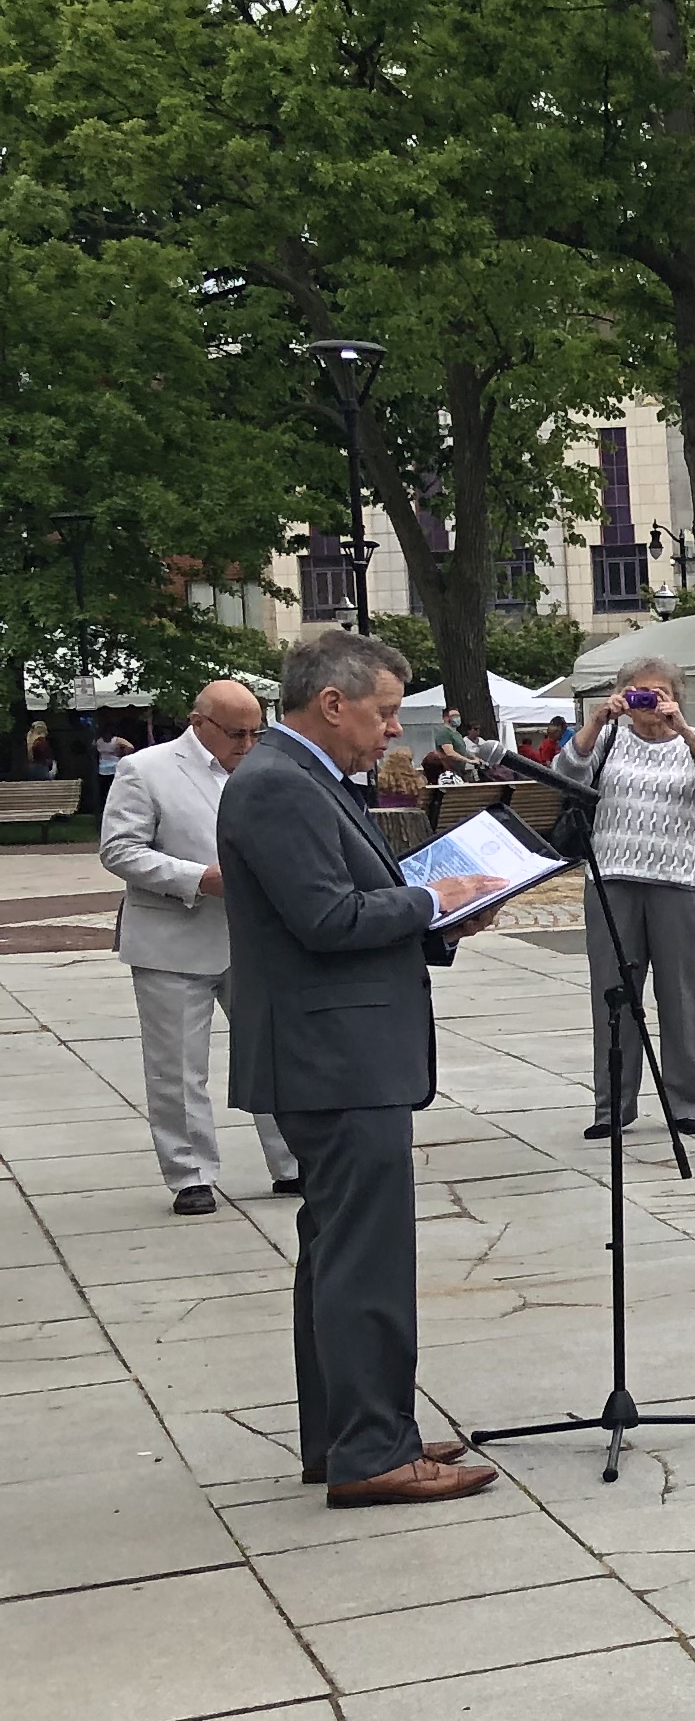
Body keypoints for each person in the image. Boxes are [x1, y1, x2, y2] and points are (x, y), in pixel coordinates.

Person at [218, 632, 508, 1505]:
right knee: (364, 1259)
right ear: (332, 703)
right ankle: (373, 1451)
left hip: (338, 1051)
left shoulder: (298, 777)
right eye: (384, 712)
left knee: (337, 1252)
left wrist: (436, 924)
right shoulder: (277, 783)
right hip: (333, 1059)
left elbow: (343, 907)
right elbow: (324, 918)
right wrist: (431, 898)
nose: (393, 731)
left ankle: (348, 1434)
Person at [99, 680, 290, 1215]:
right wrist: (197, 878)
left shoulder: (264, 766)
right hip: (172, 936)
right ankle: (191, 1174)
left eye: (256, 732)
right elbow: (118, 850)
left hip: (254, 938)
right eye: (236, 734)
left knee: (275, 1052)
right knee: (178, 1066)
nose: (247, 744)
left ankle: (294, 1161)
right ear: (198, 722)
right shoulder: (147, 769)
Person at [549, 657, 695, 1142]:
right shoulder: (610, 739)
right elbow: (564, 772)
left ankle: (687, 1102)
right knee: (614, 995)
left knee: (681, 996)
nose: (648, 703)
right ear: (622, 696)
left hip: (683, 880)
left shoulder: (694, 741)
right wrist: (595, 721)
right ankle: (612, 1106)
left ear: (676, 696)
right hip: (613, 878)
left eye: (658, 693)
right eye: (638, 693)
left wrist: (687, 734)